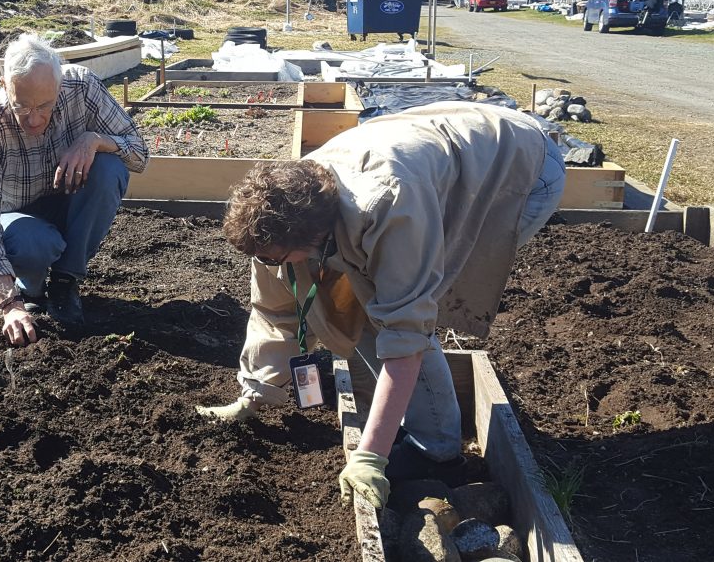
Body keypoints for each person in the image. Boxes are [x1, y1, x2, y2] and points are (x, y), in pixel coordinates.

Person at [197, 102, 566, 510]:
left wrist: (370, 455)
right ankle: (415, 423)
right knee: (364, 307)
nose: (270, 264)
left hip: (515, 170)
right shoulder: (274, 226)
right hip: (439, 154)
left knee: (399, 313)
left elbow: (405, 332)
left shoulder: (385, 206)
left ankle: (439, 453)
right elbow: (275, 310)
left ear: (315, 238)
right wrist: (255, 394)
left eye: (279, 258)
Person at [0, 33, 148, 346]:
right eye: (21, 106)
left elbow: (139, 154)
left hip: (69, 205)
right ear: (4, 86)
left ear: (60, 85)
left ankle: (65, 282)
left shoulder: (83, 88)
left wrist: (94, 140)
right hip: (19, 220)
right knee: (32, 241)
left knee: (109, 168)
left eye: (44, 106)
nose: (33, 119)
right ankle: (29, 290)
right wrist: (9, 305)